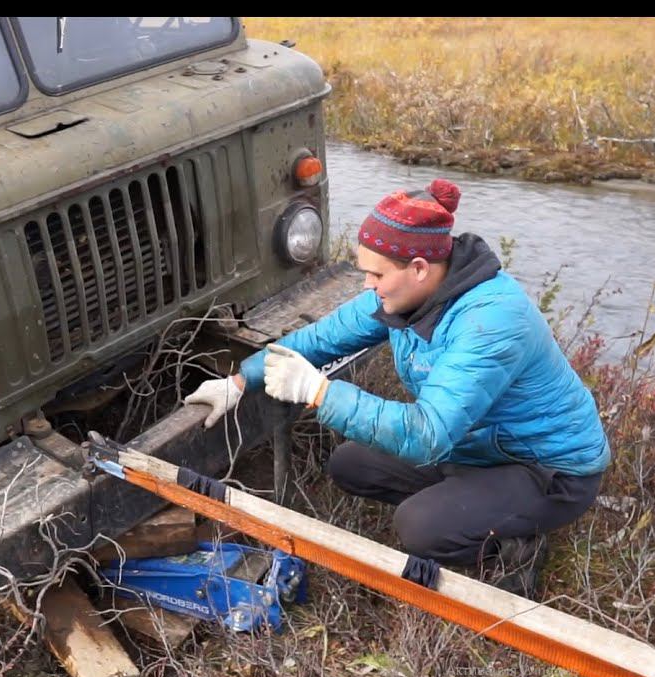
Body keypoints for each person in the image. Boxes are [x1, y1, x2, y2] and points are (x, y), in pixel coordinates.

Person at [184, 179, 610, 598]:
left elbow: (427, 435)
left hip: (545, 469)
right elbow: (319, 339)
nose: (367, 285)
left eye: (375, 274)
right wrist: (238, 381)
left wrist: (320, 393)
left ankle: (516, 544)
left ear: (419, 268)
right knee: (351, 465)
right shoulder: (402, 293)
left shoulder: (490, 321)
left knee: (420, 528)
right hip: (477, 446)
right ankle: (478, 507)